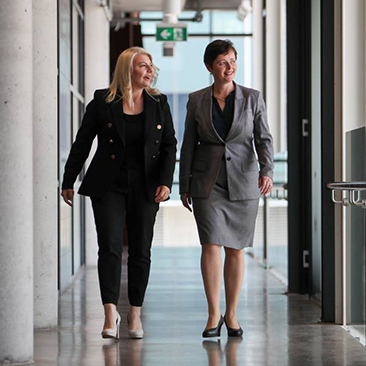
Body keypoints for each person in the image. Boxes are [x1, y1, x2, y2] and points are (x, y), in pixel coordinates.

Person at [61, 47, 177, 340]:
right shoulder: (103, 100)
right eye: (143, 66)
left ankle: (134, 313)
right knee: (110, 248)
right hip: (108, 184)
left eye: (151, 66)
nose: (149, 71)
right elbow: (82, 143)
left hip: (146, 184)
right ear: (127, 69)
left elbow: (169, 145)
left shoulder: (158, 101)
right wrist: (68, 180)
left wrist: (166, 181)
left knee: (140, 249)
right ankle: (110, 313)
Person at [179, 39, 274, 338]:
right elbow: (188, 144)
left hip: (244, 180)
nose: (229, 66)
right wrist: (184, 184)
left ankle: (231, 315)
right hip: (207, 182)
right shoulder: (196, 100)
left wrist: (267, 171)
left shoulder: (252, 98)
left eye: (232, 60)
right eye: (222, 62)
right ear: (210, 67)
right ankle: (213, 315)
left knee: (235, 249)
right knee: (210, 245)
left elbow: (264, 139)